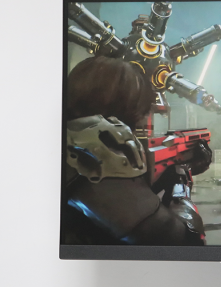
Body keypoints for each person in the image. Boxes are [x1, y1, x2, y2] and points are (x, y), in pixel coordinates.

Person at [63, 56, 206, 245]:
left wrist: (166, 174)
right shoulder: (95, 150)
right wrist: (181, 189)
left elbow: (123, 198)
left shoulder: (67, 138)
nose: (145, 119)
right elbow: (178, 238)